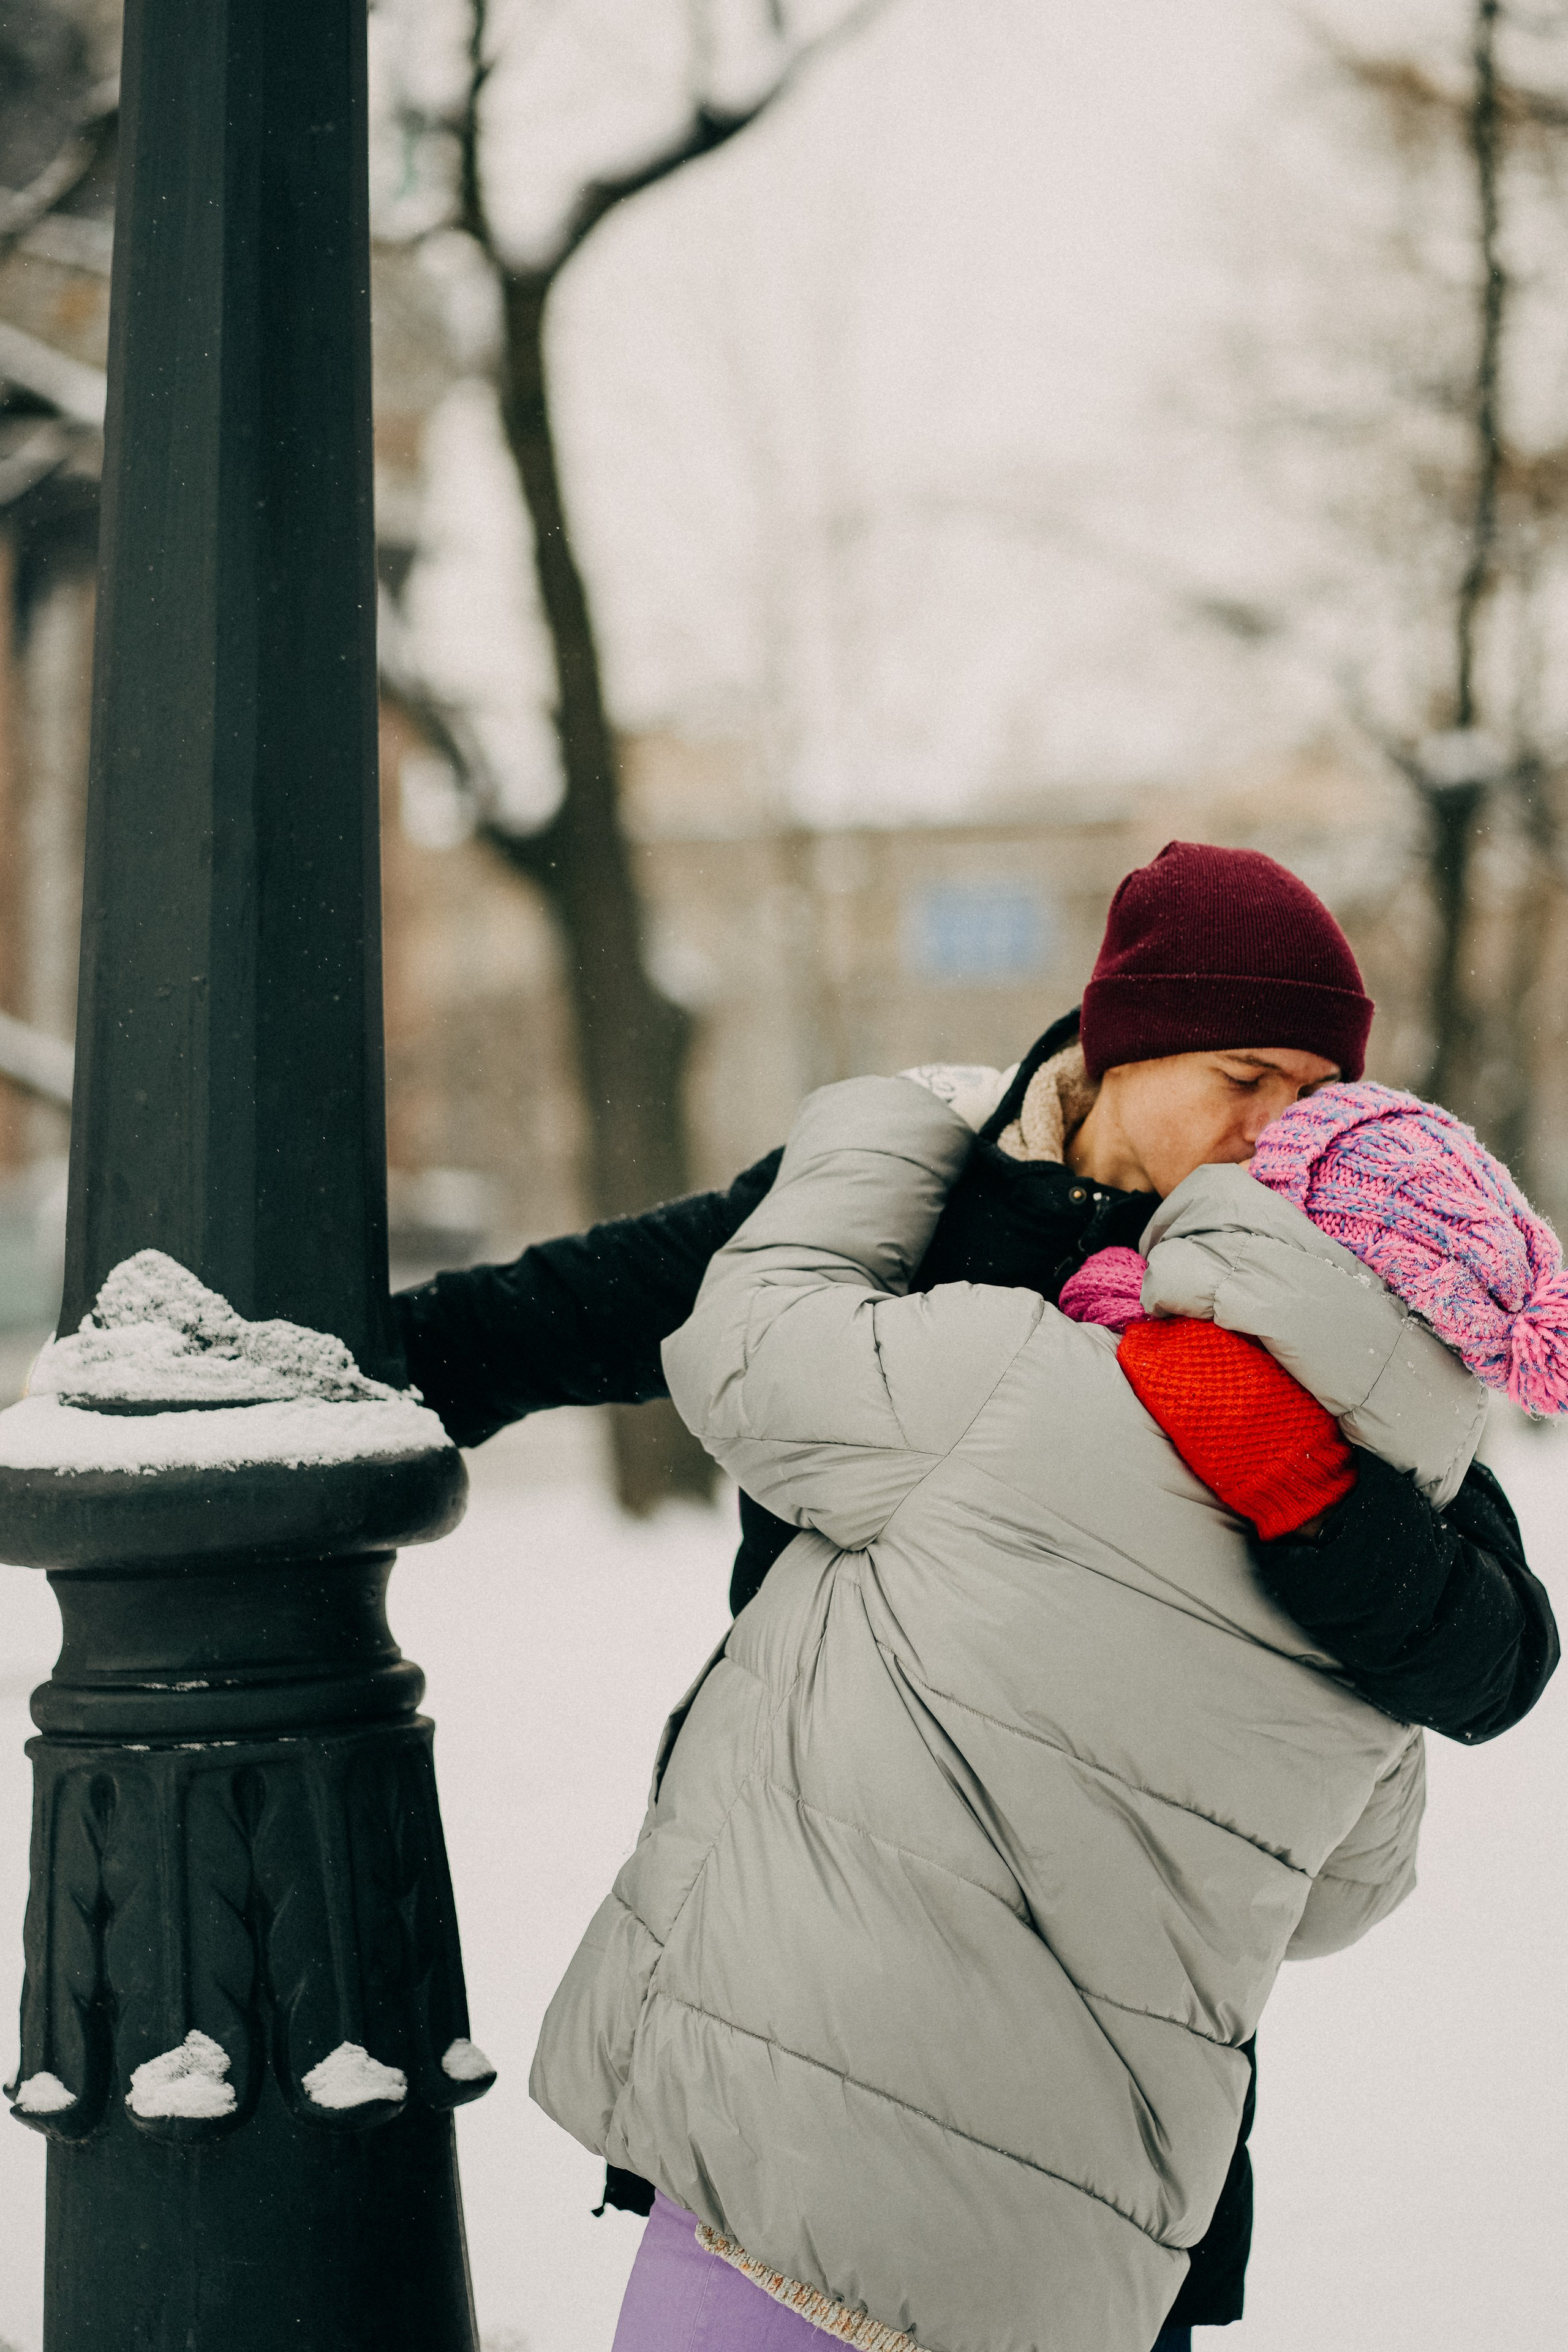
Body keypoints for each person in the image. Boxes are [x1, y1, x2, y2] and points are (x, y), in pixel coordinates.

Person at [394, 842, 1558, 2343]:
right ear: (1120, 1049)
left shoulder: (1303, 1295)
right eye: (1242, 1076)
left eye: (1310, 1096)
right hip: (830, 1984)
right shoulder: (929, 1201)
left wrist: (1309, 1498)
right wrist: (350, 1361)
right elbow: (597, 1308)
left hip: (1116, 2069)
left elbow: (1492, 1656)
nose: (1273, 1132)